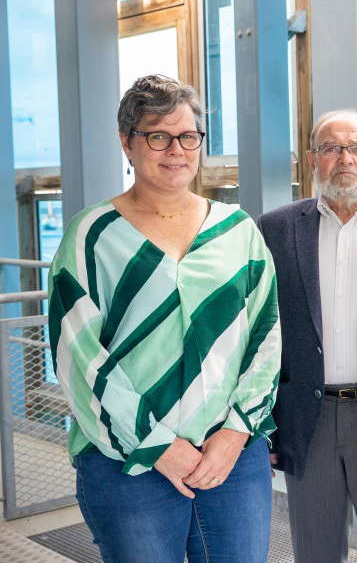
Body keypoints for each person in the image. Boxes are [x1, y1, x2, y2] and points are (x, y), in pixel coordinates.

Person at [47, 74, 280, 562]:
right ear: (127, 144)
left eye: (187, 136)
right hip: (125, 462)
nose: (175, 149)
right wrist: (158, 445)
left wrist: (236, 433)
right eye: (157, 135)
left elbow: (266, 337)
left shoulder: (238, 230)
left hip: (230, 459)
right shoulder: (90, 236)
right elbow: (79, 359)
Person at [258, 110, 357, 562]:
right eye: (331, 148)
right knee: (315, 553)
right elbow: (260, 331)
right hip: (307, 420)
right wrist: (266, 425)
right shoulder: (275, 228)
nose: (345, 157)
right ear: (312, 160)